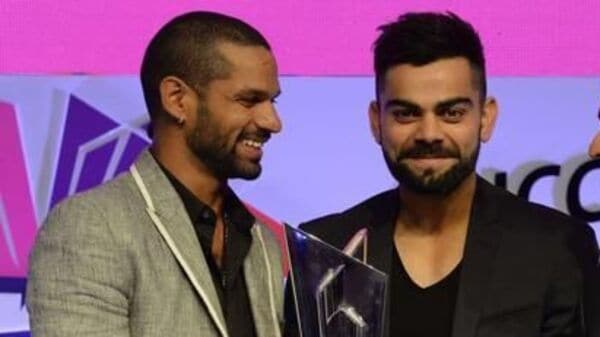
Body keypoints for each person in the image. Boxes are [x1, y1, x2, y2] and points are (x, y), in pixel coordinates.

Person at [285, 12, 599, 337]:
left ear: (486, 118)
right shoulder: (326, 250)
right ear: (376, 121)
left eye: (452, 113)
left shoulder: (556, 248)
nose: (429, 133)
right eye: (406, 114)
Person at [27, 11, 284, 337]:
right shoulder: (91, 226)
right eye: (249, 100)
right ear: (177, 99)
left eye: (272, 101)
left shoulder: (261, 240)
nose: (272, 121)